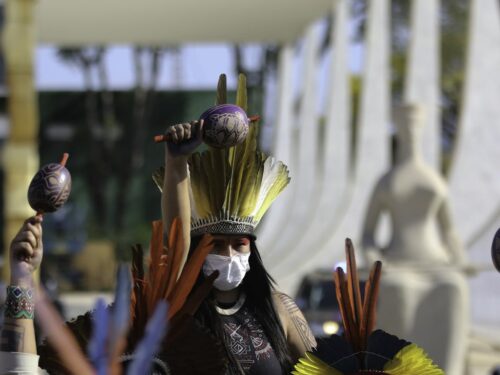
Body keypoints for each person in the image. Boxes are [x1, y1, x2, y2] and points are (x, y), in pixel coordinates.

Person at [158, 89, 316, 373]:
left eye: (239, 244)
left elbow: (321, 369)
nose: (229, 254)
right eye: (216, 245)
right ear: (197, 249)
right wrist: (176, 162)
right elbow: (175, 240)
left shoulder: (281, 310)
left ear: (251, 250)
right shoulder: (179, 312)